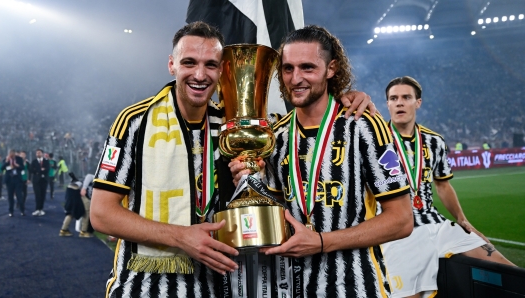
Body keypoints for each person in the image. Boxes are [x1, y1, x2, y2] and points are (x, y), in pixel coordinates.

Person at [91, 21, 374, 298]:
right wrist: (181, 237)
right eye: (189, 62)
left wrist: (346, 97)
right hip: (144, 286)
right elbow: (102, 214)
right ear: (172, 65)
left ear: (222, 70)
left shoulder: (234, 123)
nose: (200, 75)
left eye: (211, 65)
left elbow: (306, 118)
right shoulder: (135, 122)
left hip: (217, 285)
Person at [230, 25, 413, 297]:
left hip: (356, 286)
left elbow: (401, 220)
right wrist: (249, 182)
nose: (295, 78)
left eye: (307, 67)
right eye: (288, 68)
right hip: (292, 287)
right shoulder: (275, 137)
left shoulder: (364, 127)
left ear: (331, 69)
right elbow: (279, 218)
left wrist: (320, 241)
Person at [382, 76, 515, 298]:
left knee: (506, 269)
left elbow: (442, 185)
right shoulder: (372, 139)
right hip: (397, 228)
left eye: (406, 97)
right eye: (393, 98)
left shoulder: (435, 141)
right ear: (387, 104)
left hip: (436, 225)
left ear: (418, 102)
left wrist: (463, 220)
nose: (399, 103)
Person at [59, 173, 94, 237]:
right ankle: (83, 232)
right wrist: (84, 188)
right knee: (87, 211)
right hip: (77, 190)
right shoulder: (97, 178)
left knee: (72, 211)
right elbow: (89, 176)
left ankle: (63, 230)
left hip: (71, 189)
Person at [3, 149, 24, 216]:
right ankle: (11, 211)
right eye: (10, 154)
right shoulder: (6, 159)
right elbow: (2, 168)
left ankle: (22, 210)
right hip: (9, 180)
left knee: (19, 196)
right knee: (10, 197)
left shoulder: (19, 159)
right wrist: (7, 162)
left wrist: (17, 165)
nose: (11, 155)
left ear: (15, 154)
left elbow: (22, 167)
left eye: (12, 154)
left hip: (17, 179)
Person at [30, 149, 50, 216]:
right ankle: (37, 209)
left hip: (44, 180)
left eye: (39, 153)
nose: (38, 154)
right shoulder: (34, 161)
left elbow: (47, 169)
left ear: (42, 153)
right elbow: (32, 170)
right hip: (36, 181)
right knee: (37, 195)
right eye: (37, 153)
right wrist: (40, 170)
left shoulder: (46, 161)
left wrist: (38, 170)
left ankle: (41, 209)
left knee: (43, 195)